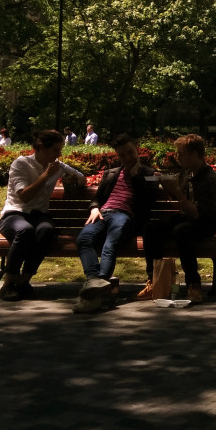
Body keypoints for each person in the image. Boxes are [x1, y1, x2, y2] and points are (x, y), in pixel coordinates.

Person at [0, 129, 85, 301]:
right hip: (15, 213)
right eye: (56, 150)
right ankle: (8, 284)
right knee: (25, 231)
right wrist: (45, 176)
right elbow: (24, 196)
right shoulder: (21, 164)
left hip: (39, 215)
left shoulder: (57, 166)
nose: (59, 154)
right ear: (42, 147)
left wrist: (74, 181)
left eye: (60, 150)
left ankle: (23, 282)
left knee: (47, 231)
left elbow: (81, 177)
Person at [73, 134, 159, 313]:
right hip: (102, 214)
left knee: (110, 243)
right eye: (122, 155)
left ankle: (97, 288)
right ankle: (96, 283)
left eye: (130, 153)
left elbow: (149, 201)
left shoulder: (151, 174)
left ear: (136, 148)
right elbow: (97, 198)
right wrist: (94, 208)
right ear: (117, 156)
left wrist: (136, 177)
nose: (127, 158)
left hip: (125, 216)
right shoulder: (111, 173)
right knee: (84, 239)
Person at [140, 134, 216, 304]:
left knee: (181, 231)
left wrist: (177, 193)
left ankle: (193, 284)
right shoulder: (186, 173)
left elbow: (196, 214)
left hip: (205, 222)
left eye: (181, 154)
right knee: (151, 228)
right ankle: (154, 280)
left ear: (194, 154)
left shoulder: (208, 177)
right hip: (188, 218)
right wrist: (163, 181)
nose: (178, 157)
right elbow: (180, 196)